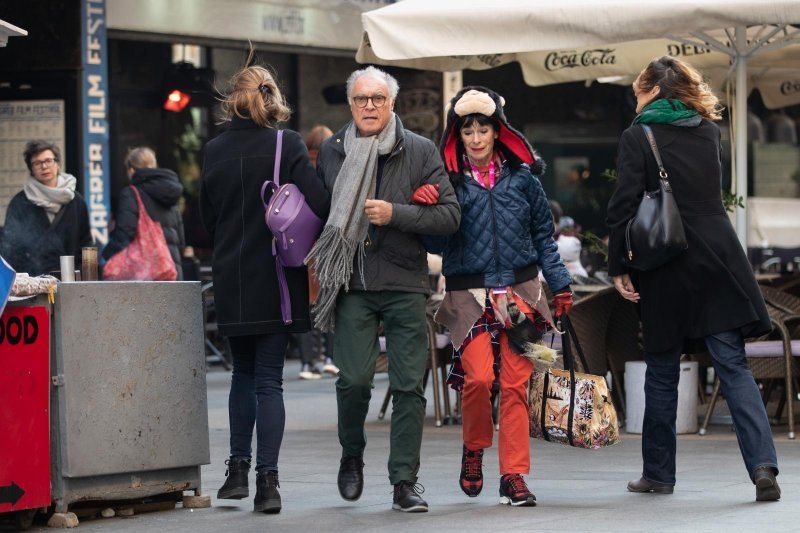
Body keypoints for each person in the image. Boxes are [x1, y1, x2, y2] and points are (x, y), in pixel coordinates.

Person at [606, 56, 780, 502]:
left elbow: (624, 205)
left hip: (667, 263)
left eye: (638, 91)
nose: (635, 98)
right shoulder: (708, 131)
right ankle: (763, 467)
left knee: (662, 371)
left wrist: (619, 266)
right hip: (718, 260)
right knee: (734, 366)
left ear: (652, 91)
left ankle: (659, 475)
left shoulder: (637, 135)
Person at [307, 66, 460, 513]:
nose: (369, 106)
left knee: (409, 385)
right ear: (351, 105)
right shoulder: (333, 152)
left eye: (377, 98)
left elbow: (449, 217)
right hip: (351, 281)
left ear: (391, 103)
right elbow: (320, 214)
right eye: (361, 100)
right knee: (353, 381)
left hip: (403, 282)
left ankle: (404, 482)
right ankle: (351, 454)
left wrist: (398, 213)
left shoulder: (419, 149)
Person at [199, 57, 330, 514]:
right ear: (273, 99)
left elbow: (206, 220)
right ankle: (267, 484)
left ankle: (236, 468)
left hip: (231, 277)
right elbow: (319, 203)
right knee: (269, 381)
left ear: (232, 99)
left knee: (242, 373)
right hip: (276, 277)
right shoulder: (287, 144)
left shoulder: (214, 150)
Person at [432, 86, 573, 507]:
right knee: (477, 379)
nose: (476, 138)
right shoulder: (448, 182)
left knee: (515, 386)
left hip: (523, 296)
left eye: (483, 129)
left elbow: (544, 238)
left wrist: (561, 283)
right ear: (457, 136)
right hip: (468, 298)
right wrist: (425, 208)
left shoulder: (524, 180)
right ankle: (474, 447)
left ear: (498, 132)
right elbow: (434, 240)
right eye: (468, 131)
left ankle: (513, 476)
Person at [0, 140, 92, 276]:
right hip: (34, 283)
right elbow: (10, 248)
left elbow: (86, 243)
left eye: (49, 160)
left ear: (58, 164)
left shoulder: (76, 201)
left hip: (70, 282)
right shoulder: (20, 203)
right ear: (31, 170)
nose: (44, 166)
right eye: (37, 163)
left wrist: (81, 277)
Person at [102, 147, 186, 279]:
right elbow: (181, 240)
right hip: (171, 272)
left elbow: (124, 234)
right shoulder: (170, 193)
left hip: (146, 276)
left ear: (131, 169)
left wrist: (106, 254)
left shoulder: (131, 193)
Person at [297, 125, 338, 380]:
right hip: (329, 244)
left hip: (304, 244)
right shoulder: (335, 167)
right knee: (330, 304)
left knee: (307, 305)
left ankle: (306, 362)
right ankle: (330, 358)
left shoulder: (301, 170)